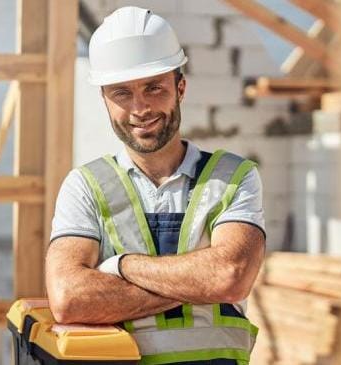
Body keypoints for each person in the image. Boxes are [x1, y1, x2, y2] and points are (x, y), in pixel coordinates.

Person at [45, 6, 266, 365]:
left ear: (180, 88)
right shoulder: (84, 186)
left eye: (154, 88)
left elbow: (229, 276)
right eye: (121, 93)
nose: (140, 108)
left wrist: (121, 266)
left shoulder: (234, 177)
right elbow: (69, 298)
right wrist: (197, 283)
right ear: (104, 100)